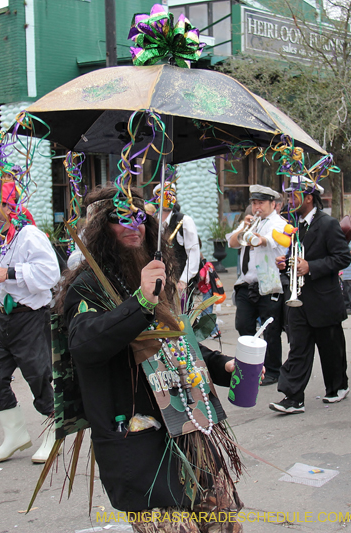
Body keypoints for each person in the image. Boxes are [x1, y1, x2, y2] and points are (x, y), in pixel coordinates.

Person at [56, 186, 244, 532]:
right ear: (100, 229)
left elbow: (176, 343)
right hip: (138, 443)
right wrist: (140, 302)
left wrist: (223, 366)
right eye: (120, 219)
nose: (133, 226)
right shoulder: (87, 287)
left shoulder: (157, 276)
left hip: (188, 430)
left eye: (140, 217)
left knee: (225, 526)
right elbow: (85, 344)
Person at [0, 182, 60, 464]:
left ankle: (53, 434)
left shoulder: (30, 235)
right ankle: (15, 434)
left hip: (30, 318)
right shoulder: (0, 238)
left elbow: (50, 273)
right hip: (3, 319)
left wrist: (10, 272)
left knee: (38, 378)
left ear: (8, 208)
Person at [269, 176, 351, 414]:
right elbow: (296, 256)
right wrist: (286, 263)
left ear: (308, 198)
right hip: (299, 298)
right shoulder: (293, 225)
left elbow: (342, 257)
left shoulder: (328, 223)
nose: (288, 200)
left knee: (331, 349)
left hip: (324, 298)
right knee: (297, 347)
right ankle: (293, 397)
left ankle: (338, 386)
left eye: (293, 195)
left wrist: (311, 267)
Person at [227, 185, 287, 386]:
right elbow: (232, 243)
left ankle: (272, 370)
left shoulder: (278, 223)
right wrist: (244, 228)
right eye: (254, 203)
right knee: (243, 325)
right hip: (246, 283)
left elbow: (265, 241)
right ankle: (250, 365)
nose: (256, 207)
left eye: (260, 203)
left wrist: (254, 235)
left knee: (271, 330)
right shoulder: (250, 222)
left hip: (269, 283)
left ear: (273, 204)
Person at [153, 182, 200, 295]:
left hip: (179, 284)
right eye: (164, 196)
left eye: (171, 195)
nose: (168, 199)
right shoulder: (152, 222)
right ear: (156, 200)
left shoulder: (184, 221)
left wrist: (184, 280)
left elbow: (193, 252)